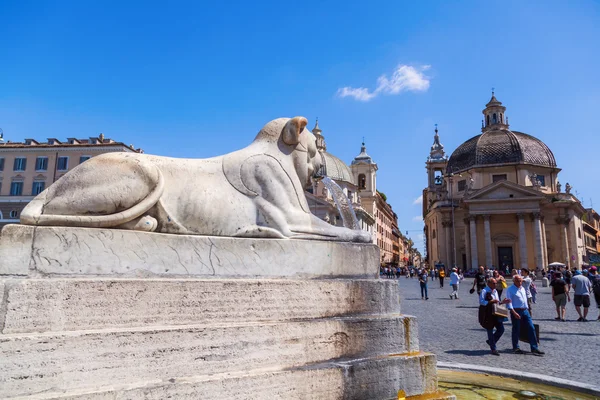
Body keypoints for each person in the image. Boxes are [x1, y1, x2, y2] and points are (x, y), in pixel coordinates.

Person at [505, 275, 545, 356]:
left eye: (521, 281)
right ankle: (516, 347)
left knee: (531, 327)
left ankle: (534, 348)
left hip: (525, 311)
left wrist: (527, 309)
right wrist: (513, 312)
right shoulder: (510, 289)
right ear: (514, 281)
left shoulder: (522, 288)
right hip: (516, 310)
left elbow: (524, 300)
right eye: (518, 281)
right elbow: (509, 302)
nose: (520, 282)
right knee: (516, 329)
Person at [479, 278, 511, 356]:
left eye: (496, 283)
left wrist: (502, 302)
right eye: (494, 283)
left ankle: (491, 341)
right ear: (489, 283)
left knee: (501, 329)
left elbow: (497, 301)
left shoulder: (495, 291)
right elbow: (481, 302)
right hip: (488, 313)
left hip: (496, 312)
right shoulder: (484, 291)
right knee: (490, 330)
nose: (495, 284)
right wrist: (490, 301)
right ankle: (493, 348)